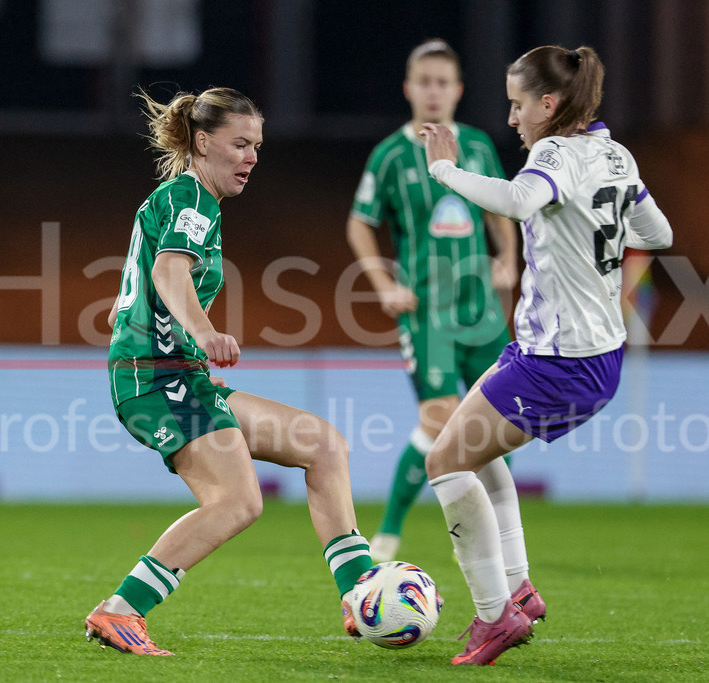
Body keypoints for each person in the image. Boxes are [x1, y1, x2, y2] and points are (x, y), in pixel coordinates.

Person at [85, 87, 374, 655]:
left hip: (179, 375)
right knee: (237, 501)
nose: (252, 157)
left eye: (258, 146)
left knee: (323, 445)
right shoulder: (191, 198)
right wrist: (203, 333)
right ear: (202, 141)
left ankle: (361, 592)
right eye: (240, 144)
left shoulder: (193, 200)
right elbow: (170, 275)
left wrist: (194, 350)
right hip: (153, 377)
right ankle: (119, 611)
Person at [419, 45, 673, 665]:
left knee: (445, 463)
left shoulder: (554, 152)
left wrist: (445, 172)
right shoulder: (616, 153)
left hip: (558, 361)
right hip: (584, 352)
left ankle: (493, 618)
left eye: (517, 104)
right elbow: (658, 234)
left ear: (550, 104)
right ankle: (516, 589)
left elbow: (518, 201)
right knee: (473, 453)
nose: (512, 119)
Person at [346, 39, 519, 563]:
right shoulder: (391, 155)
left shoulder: (479, 147)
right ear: (409, 89)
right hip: (427, 314)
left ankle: (503, 548)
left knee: (491, 428)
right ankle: (391, 532)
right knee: (440, 416)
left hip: (480, 310)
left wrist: (508, 260)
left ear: (458, 90)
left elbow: (500, 210)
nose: (434, 91)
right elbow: (359, 223)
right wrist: (382, 285)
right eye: (425, 81)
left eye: (444, 82)